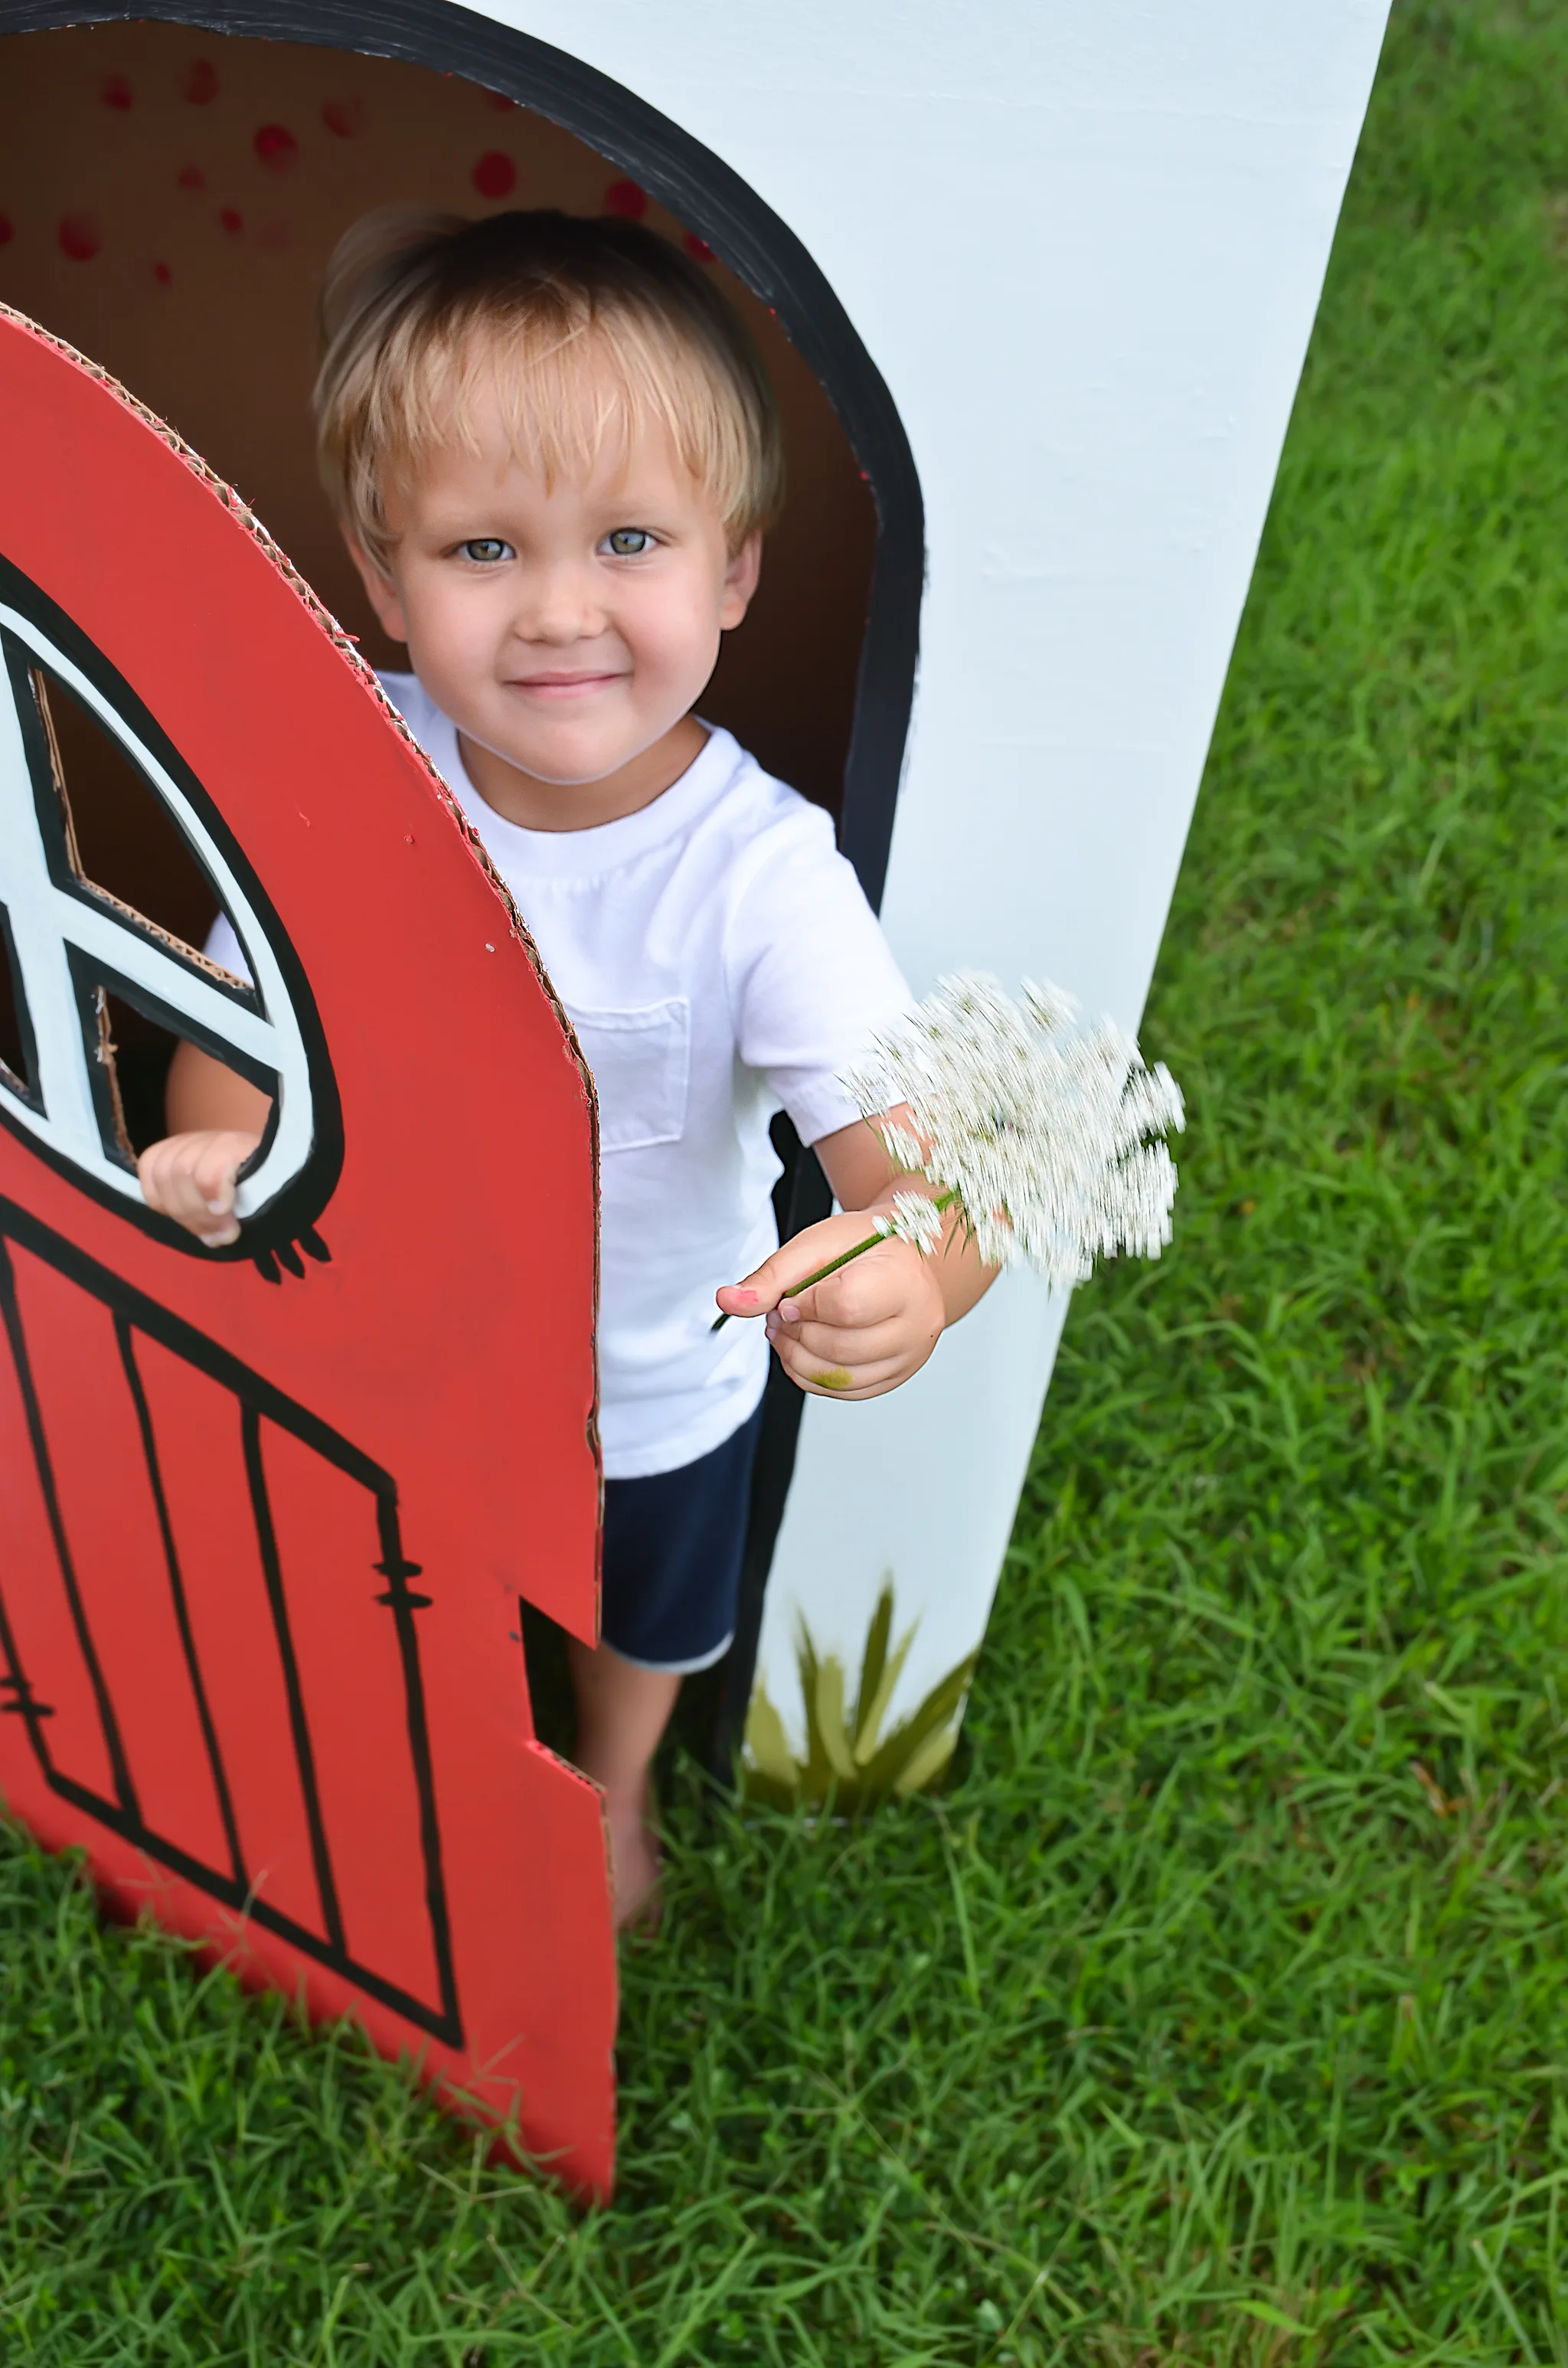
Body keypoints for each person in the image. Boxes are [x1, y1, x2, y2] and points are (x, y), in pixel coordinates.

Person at [136, 208, 995, 1926]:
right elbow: (243, 1017)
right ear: (381, 578)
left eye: (626, 540)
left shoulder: (759, 875)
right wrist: (213, 1144)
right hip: (386, 1339)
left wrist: (917, 1270)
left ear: (733, 571)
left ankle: (607, 1791)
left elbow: (924, 1166)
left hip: (649, 1381)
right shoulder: (359, 759)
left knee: (638, 1617)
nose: (557, 613)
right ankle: (414, 1747)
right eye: (478, 552)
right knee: (396, 1570)